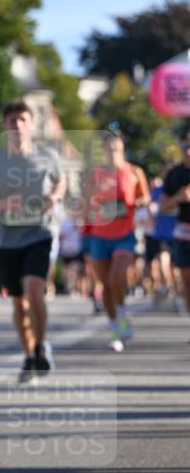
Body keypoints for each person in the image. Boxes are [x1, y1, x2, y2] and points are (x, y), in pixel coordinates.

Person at [0, 100, 66, 383]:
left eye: (22, 120)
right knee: (18, 304)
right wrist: (1, 206)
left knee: (34, 291)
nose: (17, 125)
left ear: (30, 124)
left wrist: (54, 196)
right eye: (11, 121)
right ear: (4, 127)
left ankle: (41, 346)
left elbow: (61, 181)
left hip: (40, 233)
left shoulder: (47, 155)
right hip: (8, 240)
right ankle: (29, 354)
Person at [84, 131, 150, 351]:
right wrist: (95, 192)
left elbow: (145, 197)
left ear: (123, 149)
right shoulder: (95, 173)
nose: (113, 153)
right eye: (109, 149)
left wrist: (141, 203)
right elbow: (84, 200)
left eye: (117, 149)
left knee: (116, 279)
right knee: (106, 287)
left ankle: (122, 314)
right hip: (100, 234)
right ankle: (116, 328)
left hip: (125, 233)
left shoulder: (134, 172)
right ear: (103, 151)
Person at [160, 133, 190, 314]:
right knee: (187, 282)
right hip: (183, 233)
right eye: (187, 147)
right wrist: (179, 197)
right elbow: (163, 207)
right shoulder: (174, 174)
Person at [144, 162, 177, 306]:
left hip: (178, 234)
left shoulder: (179, 188)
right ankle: (165, 287)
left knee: (175, 268)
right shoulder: (158, 190)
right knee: (161, 262)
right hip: (161, 233)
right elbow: (150, 208)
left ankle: (174, 289)